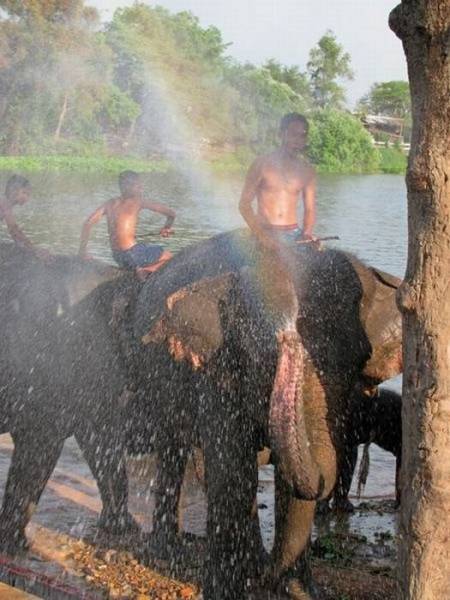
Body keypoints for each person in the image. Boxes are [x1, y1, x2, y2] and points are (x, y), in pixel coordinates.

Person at [239, 113, 316, 250]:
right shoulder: (261, 164)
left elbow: (309, 209)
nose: (297, 140)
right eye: (293, 134)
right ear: (281, 134)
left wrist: (307, 233)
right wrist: (262, 236)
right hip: (265, 231)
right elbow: (244, 205)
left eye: (302, 136)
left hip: (294, 234)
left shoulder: (307, 171)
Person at [78, 170, 175, 274]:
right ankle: (146, 271)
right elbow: (171, 214)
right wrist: (167, 228)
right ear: (127, 187)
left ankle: (138, 269)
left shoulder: (109, 203)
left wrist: (82, 251)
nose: (141, 188)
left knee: (145, 247)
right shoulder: (138, 201)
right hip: (133, 253)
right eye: (138, 185)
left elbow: (87, 224)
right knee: (170, 257)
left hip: (118, 256)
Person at [0, 174, 50, 259]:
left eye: (28, 194)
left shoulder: (5, 204)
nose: (27, 197)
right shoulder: (4, 204)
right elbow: (14, 230)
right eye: (24, 193)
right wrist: (34, 250)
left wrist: (29, 248)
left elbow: (15, 233)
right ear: (13, 191)